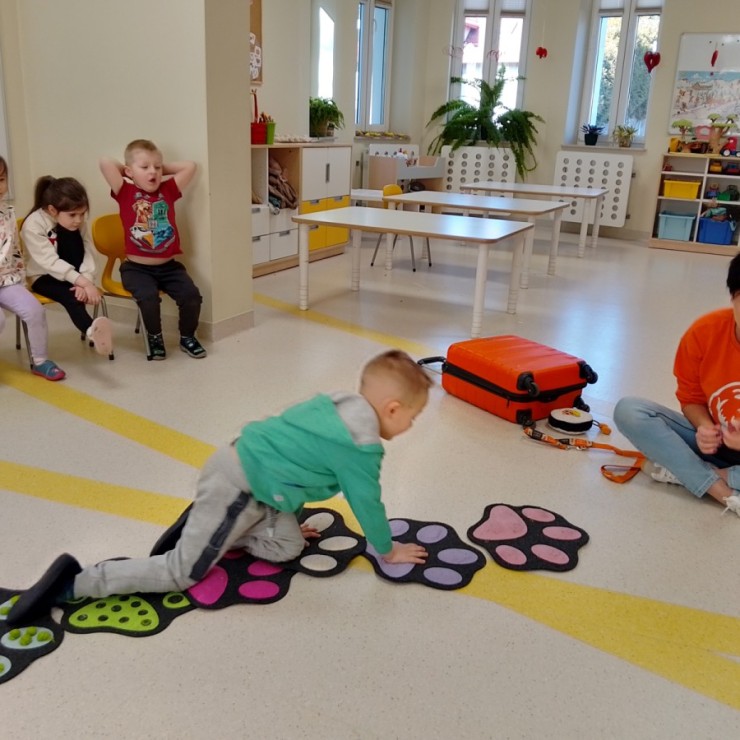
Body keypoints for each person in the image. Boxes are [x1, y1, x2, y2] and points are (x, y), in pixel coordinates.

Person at [7, 350, 433, 627]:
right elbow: (367, 503)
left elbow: (286, 438)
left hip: (251, 477)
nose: (410, 426)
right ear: (392, 408)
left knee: (289, 546)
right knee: (180, 573)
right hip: (240, 488)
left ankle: (219, 527)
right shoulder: (361, 447)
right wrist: (387, 549)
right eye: (411, 418)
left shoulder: (339, 403)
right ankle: (76, 583)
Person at [613, 253, 740, 517]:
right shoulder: (704, 332)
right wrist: (704, 427)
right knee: (630, 410)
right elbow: (691, 398)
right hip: (715, 444)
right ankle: (723, 492)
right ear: (733, 297)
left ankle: (691, 473)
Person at [99, 139, 205, 360]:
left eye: (157, 167)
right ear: (129, 171)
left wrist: (157, 169)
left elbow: (190, 167)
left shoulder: (168, 190)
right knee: (148, 298)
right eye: (145, 167)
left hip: (169, 267)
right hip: (136, 269)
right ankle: (155, 337)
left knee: (192, 296)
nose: (153, 172)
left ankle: (187, 337)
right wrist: (130, 171)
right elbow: (105, 162)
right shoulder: (125, 191)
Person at [21, 176, 113, 357]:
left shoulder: (76, 223)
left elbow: (88, 252)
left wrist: (85, 280)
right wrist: (83, 283)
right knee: (72, 297)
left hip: (73, 274)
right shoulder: (33, 225)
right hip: (42, 276)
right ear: (52, 210)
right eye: (73, 215)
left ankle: (92, 328)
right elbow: (50, 262)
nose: (79, 220)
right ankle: (91, 329)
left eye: (82, 214)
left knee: (72, 235)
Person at [0, 157, 65, 380]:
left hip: (8, 281)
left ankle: (40, 361)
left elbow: (14, 251)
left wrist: (20, 280)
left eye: (1, 180)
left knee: (35, 310)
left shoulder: (8, 212)